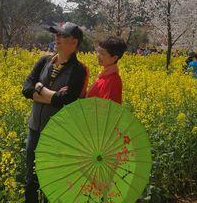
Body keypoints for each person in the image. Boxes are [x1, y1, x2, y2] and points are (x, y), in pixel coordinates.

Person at [22, 22, 88, 203]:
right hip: (35, 128)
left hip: (57, 133)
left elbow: (66, 100)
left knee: (53, 178)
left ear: (74, 42)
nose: (56, 38)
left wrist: (39, 88)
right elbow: (26, 89)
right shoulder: (44, 61)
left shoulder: (79, 70)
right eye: (56, 35)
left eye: (61, 36)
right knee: (31, 178)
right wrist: (51, 95)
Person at [86, 37, 127, 104]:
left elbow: (108, 110)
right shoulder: (104, 76)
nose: (98, 56)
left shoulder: (113, 81)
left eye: (102, 54)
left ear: (114, 58)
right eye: (98, 52)